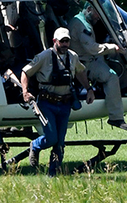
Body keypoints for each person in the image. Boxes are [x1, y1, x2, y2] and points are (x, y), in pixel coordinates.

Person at [21, 27, 95, 176]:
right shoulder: (44, 56)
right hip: (46, 103)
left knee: (60, 142)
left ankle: (53, 174)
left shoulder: (73, 57)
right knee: (51, 138)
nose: (65, 44)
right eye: (62, 41)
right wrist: (25, 91)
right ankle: (35, 145)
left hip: (65, 104)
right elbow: (25, 72)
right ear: (55, 41)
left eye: (67, 41)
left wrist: (89, 89)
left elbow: (80, 72)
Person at [67, 4, 127, 131]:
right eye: (97, 13)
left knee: (110, 58)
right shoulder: (81, 25)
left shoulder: (80, 20)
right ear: (89, 9)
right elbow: (92, 48)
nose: (99, 17)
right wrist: (113, 47)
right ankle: (116, 117)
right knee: (111, 76)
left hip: (90, 57)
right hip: (84, 62)